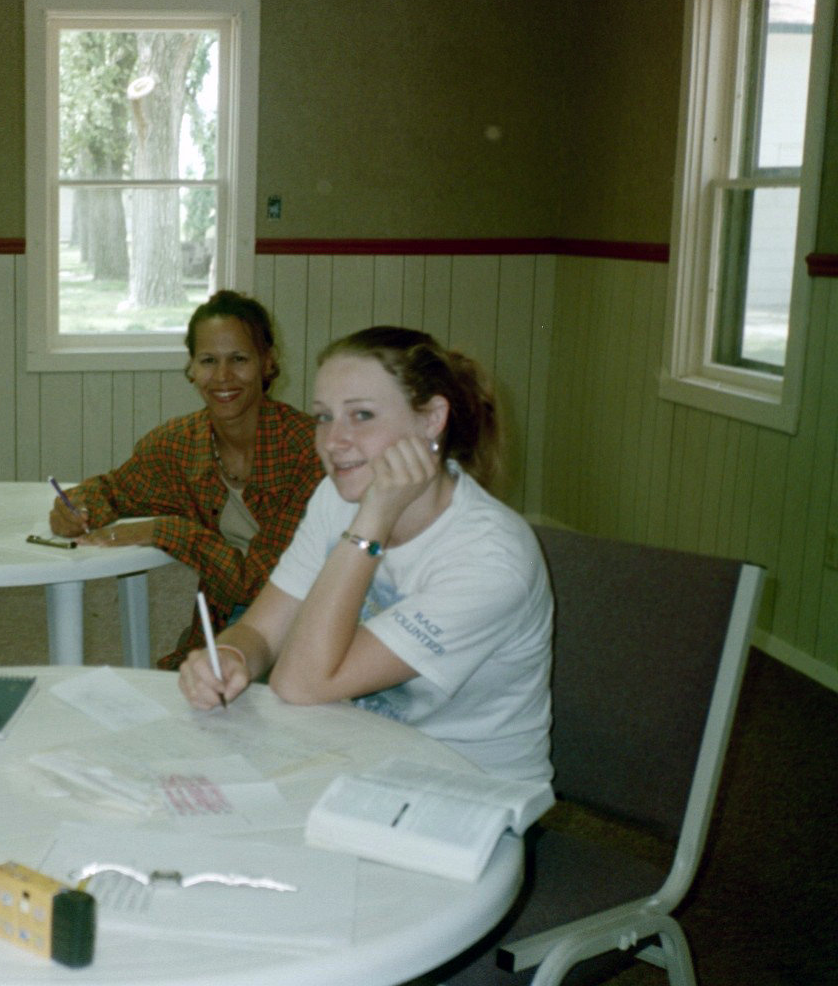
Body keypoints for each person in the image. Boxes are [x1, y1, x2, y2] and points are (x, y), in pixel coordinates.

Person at [177, 326, 553, 783]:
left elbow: (299, 684)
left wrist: (373, 520)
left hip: (469, 788)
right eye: (323, 416)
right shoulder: (335, 497)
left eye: (362, 415)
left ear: (432, 419)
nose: (333, 441)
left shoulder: (491, 559)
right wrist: (231, 655)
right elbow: (261, 630)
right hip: (357, 757)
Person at [48, 291, 323, 670]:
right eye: (208, 361)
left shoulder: (308, 451)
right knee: (177, 688)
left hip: (313, 616)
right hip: (225, 616)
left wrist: (164, 531)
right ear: (191, 368)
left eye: (239, 359)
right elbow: (112, 490)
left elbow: (255, 582)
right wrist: (74, 508)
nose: (222, 377)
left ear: (267, 362)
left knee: (237, 694)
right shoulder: (180, 443)